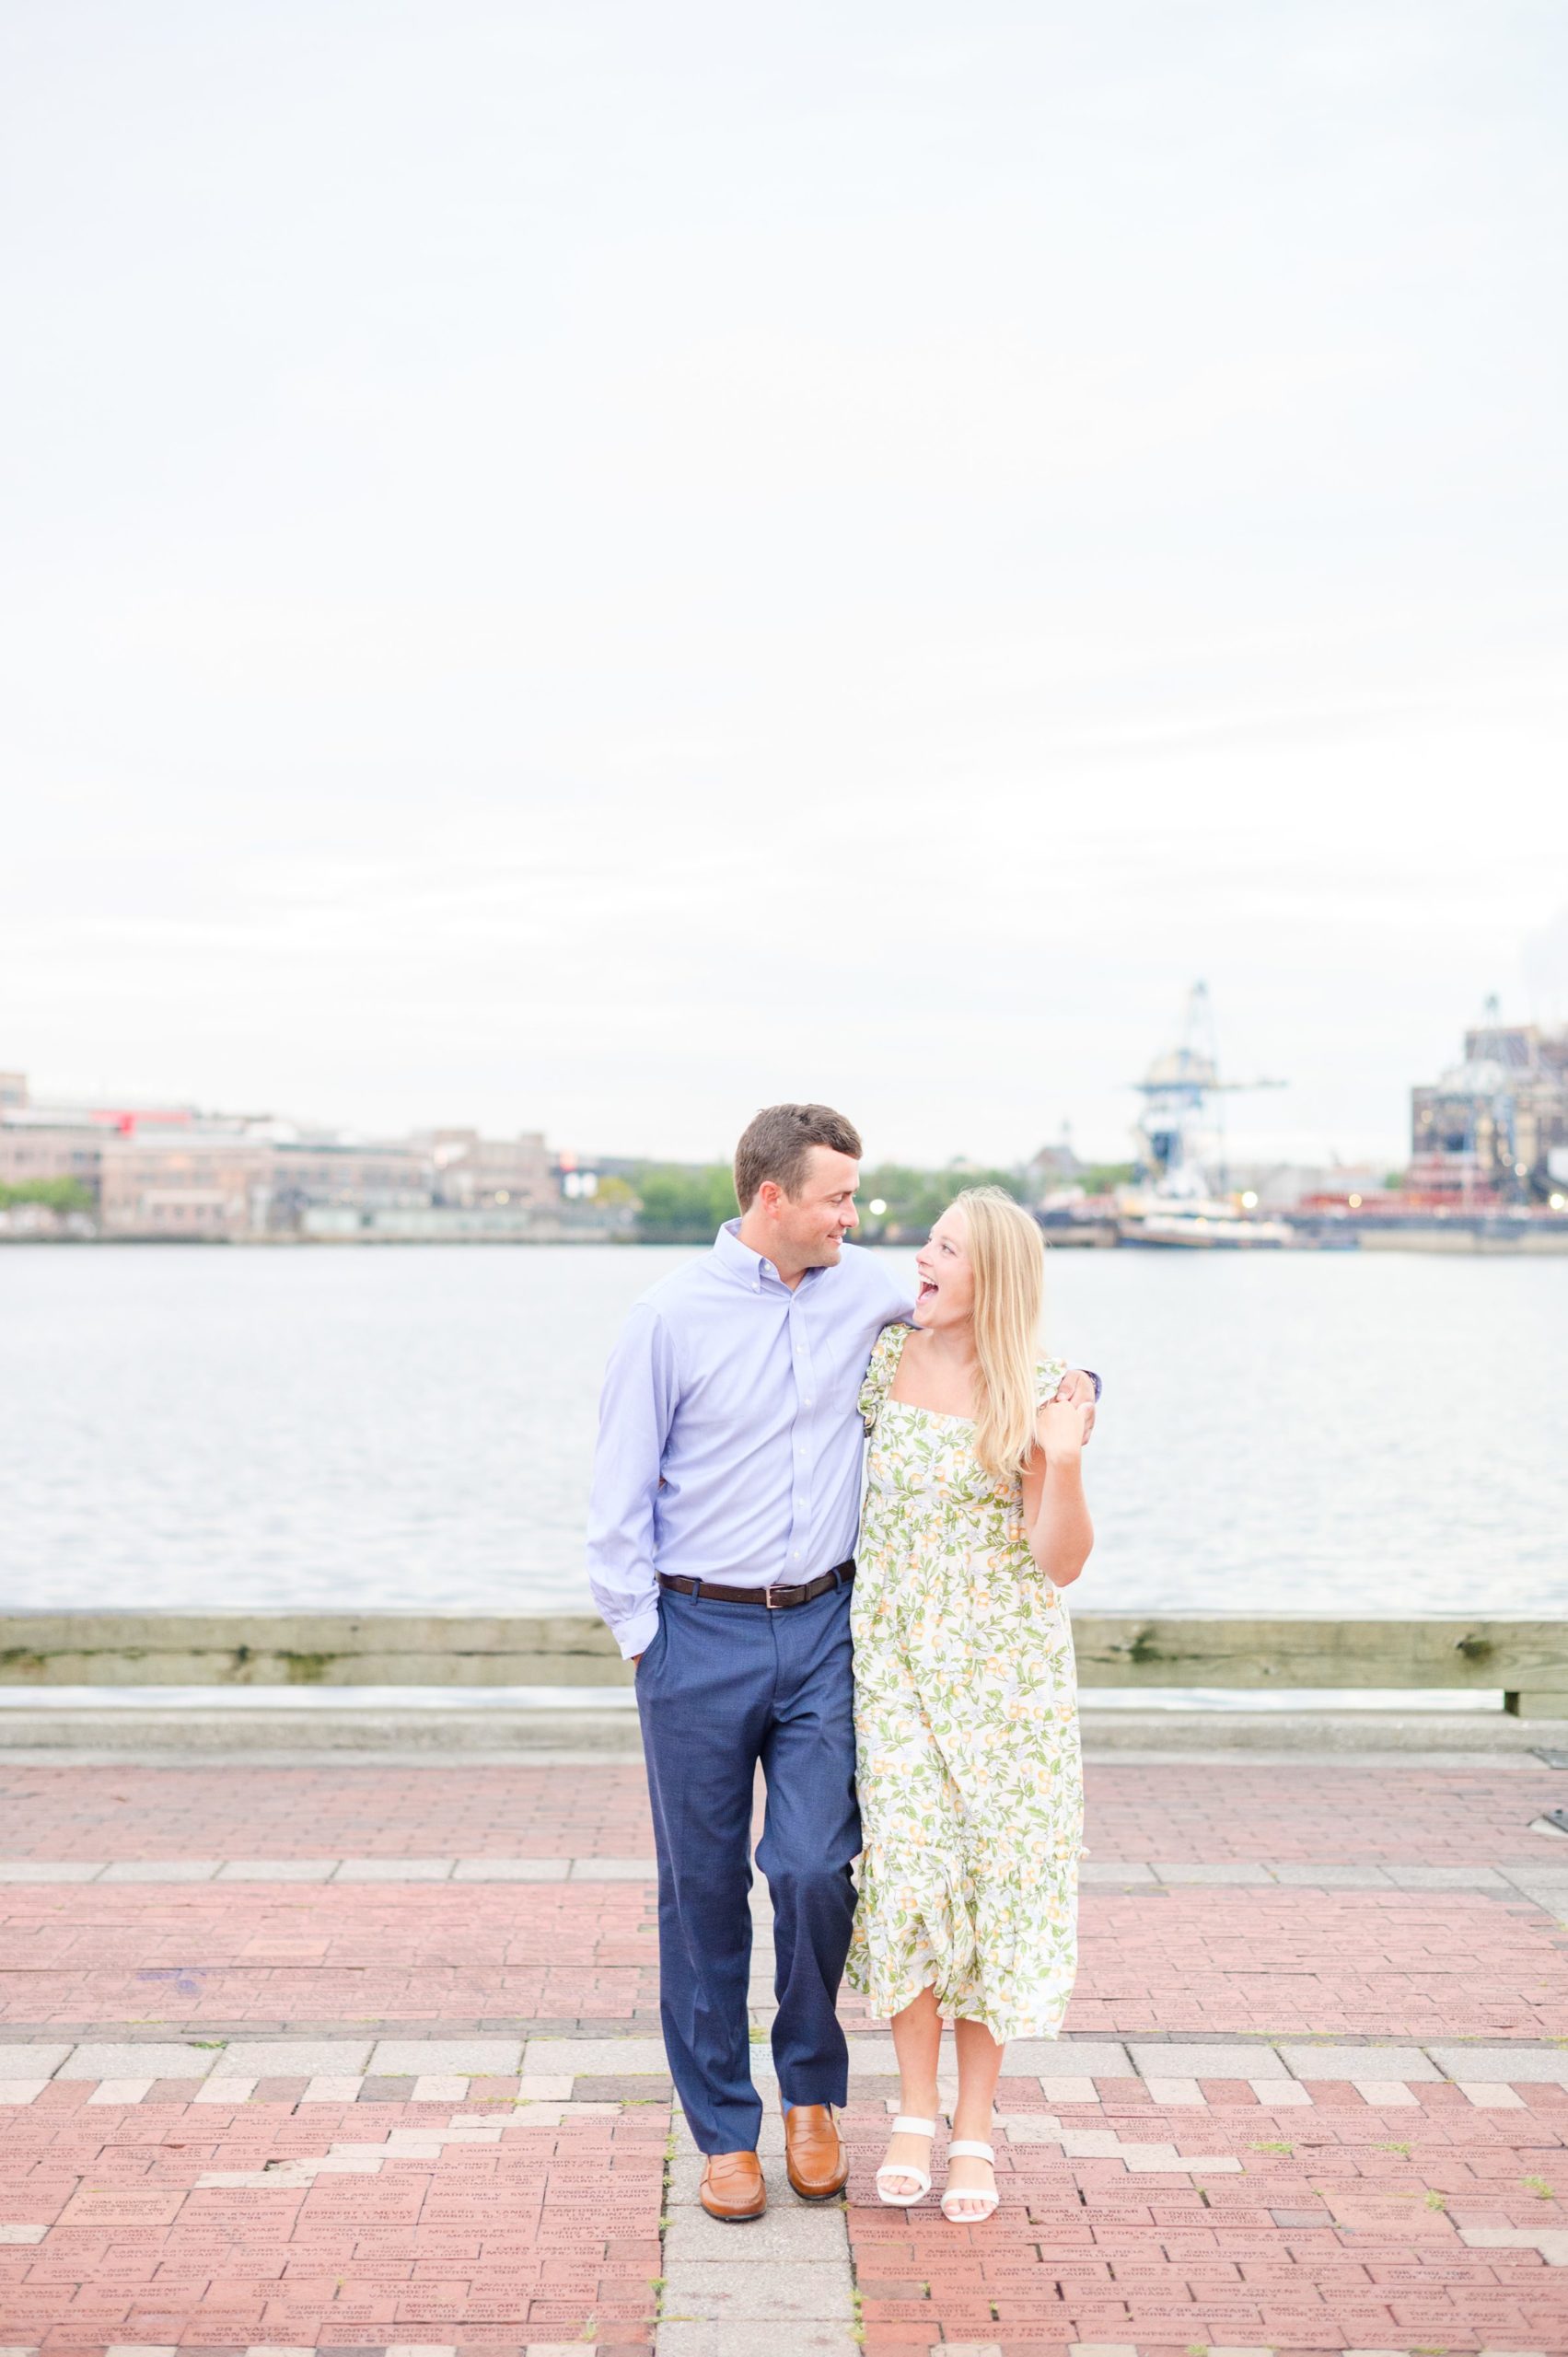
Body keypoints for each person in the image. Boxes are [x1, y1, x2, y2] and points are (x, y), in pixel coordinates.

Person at [586, 1105, 1100, 2222]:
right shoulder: (666, 1318)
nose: (856, 1221)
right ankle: (725, 2129)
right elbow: (614, 1495)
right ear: (772, 1199)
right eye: (835, 1200)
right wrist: (645, 1641)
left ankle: (812, 2099)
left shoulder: (869, 1291)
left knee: (819, 1869)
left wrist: (1084, 1393)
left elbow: (1014, 1338)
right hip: (694, 1633)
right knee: (703, 1892)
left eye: (855, 1203)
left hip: (826, 1633)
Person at [850, 1186, 1092, 2223]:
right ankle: (910, 2111)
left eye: (945, 1247)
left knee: (994, 1888)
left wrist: (1064, 1458)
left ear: (988, 1275)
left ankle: (975, 2130)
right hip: (895, 1663)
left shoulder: (1041, 1389)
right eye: (928, 1239)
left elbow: (1058, 1561)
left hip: (1006, 1684)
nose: (922, 1257)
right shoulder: (875, 1360)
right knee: (907, 1871)